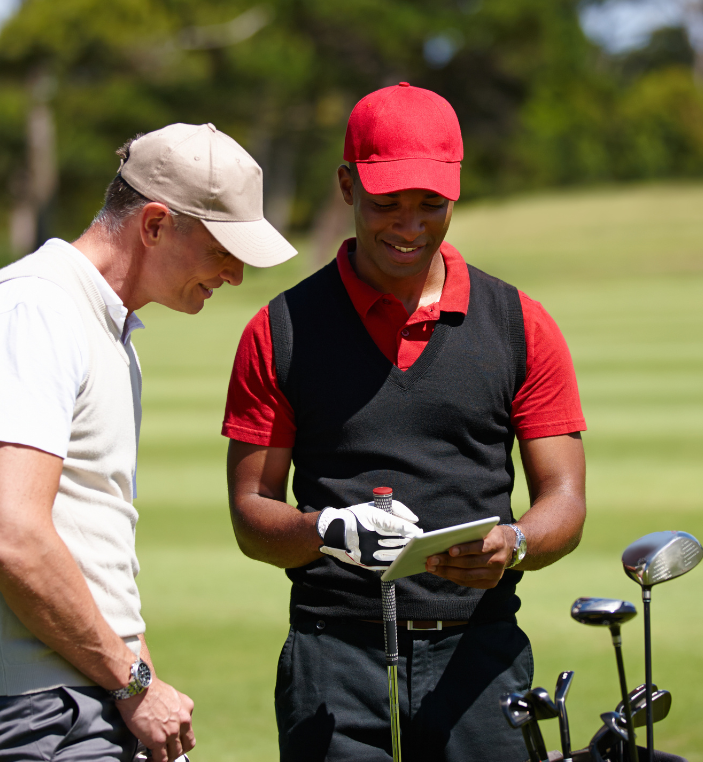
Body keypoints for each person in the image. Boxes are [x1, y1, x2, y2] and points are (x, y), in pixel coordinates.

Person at [223, 84, 587, 762]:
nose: (410, 225)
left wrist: (515, 542)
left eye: (431, 205)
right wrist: (326, 531)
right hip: (332, 655)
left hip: (478, 652)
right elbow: (251, 514)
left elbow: (564, 500)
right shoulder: (278, 331)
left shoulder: (520, 323)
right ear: (346, 185)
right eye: (387, 202)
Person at [0, 122, 296, 762]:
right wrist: (134, 684)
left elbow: (97, 551)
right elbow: (14, 534)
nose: (236, 274)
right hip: (39, 713)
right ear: (156, 224)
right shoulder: (37, 310)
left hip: (86, 699)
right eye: (223, 248)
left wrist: (145, 688)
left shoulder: (109, 330)